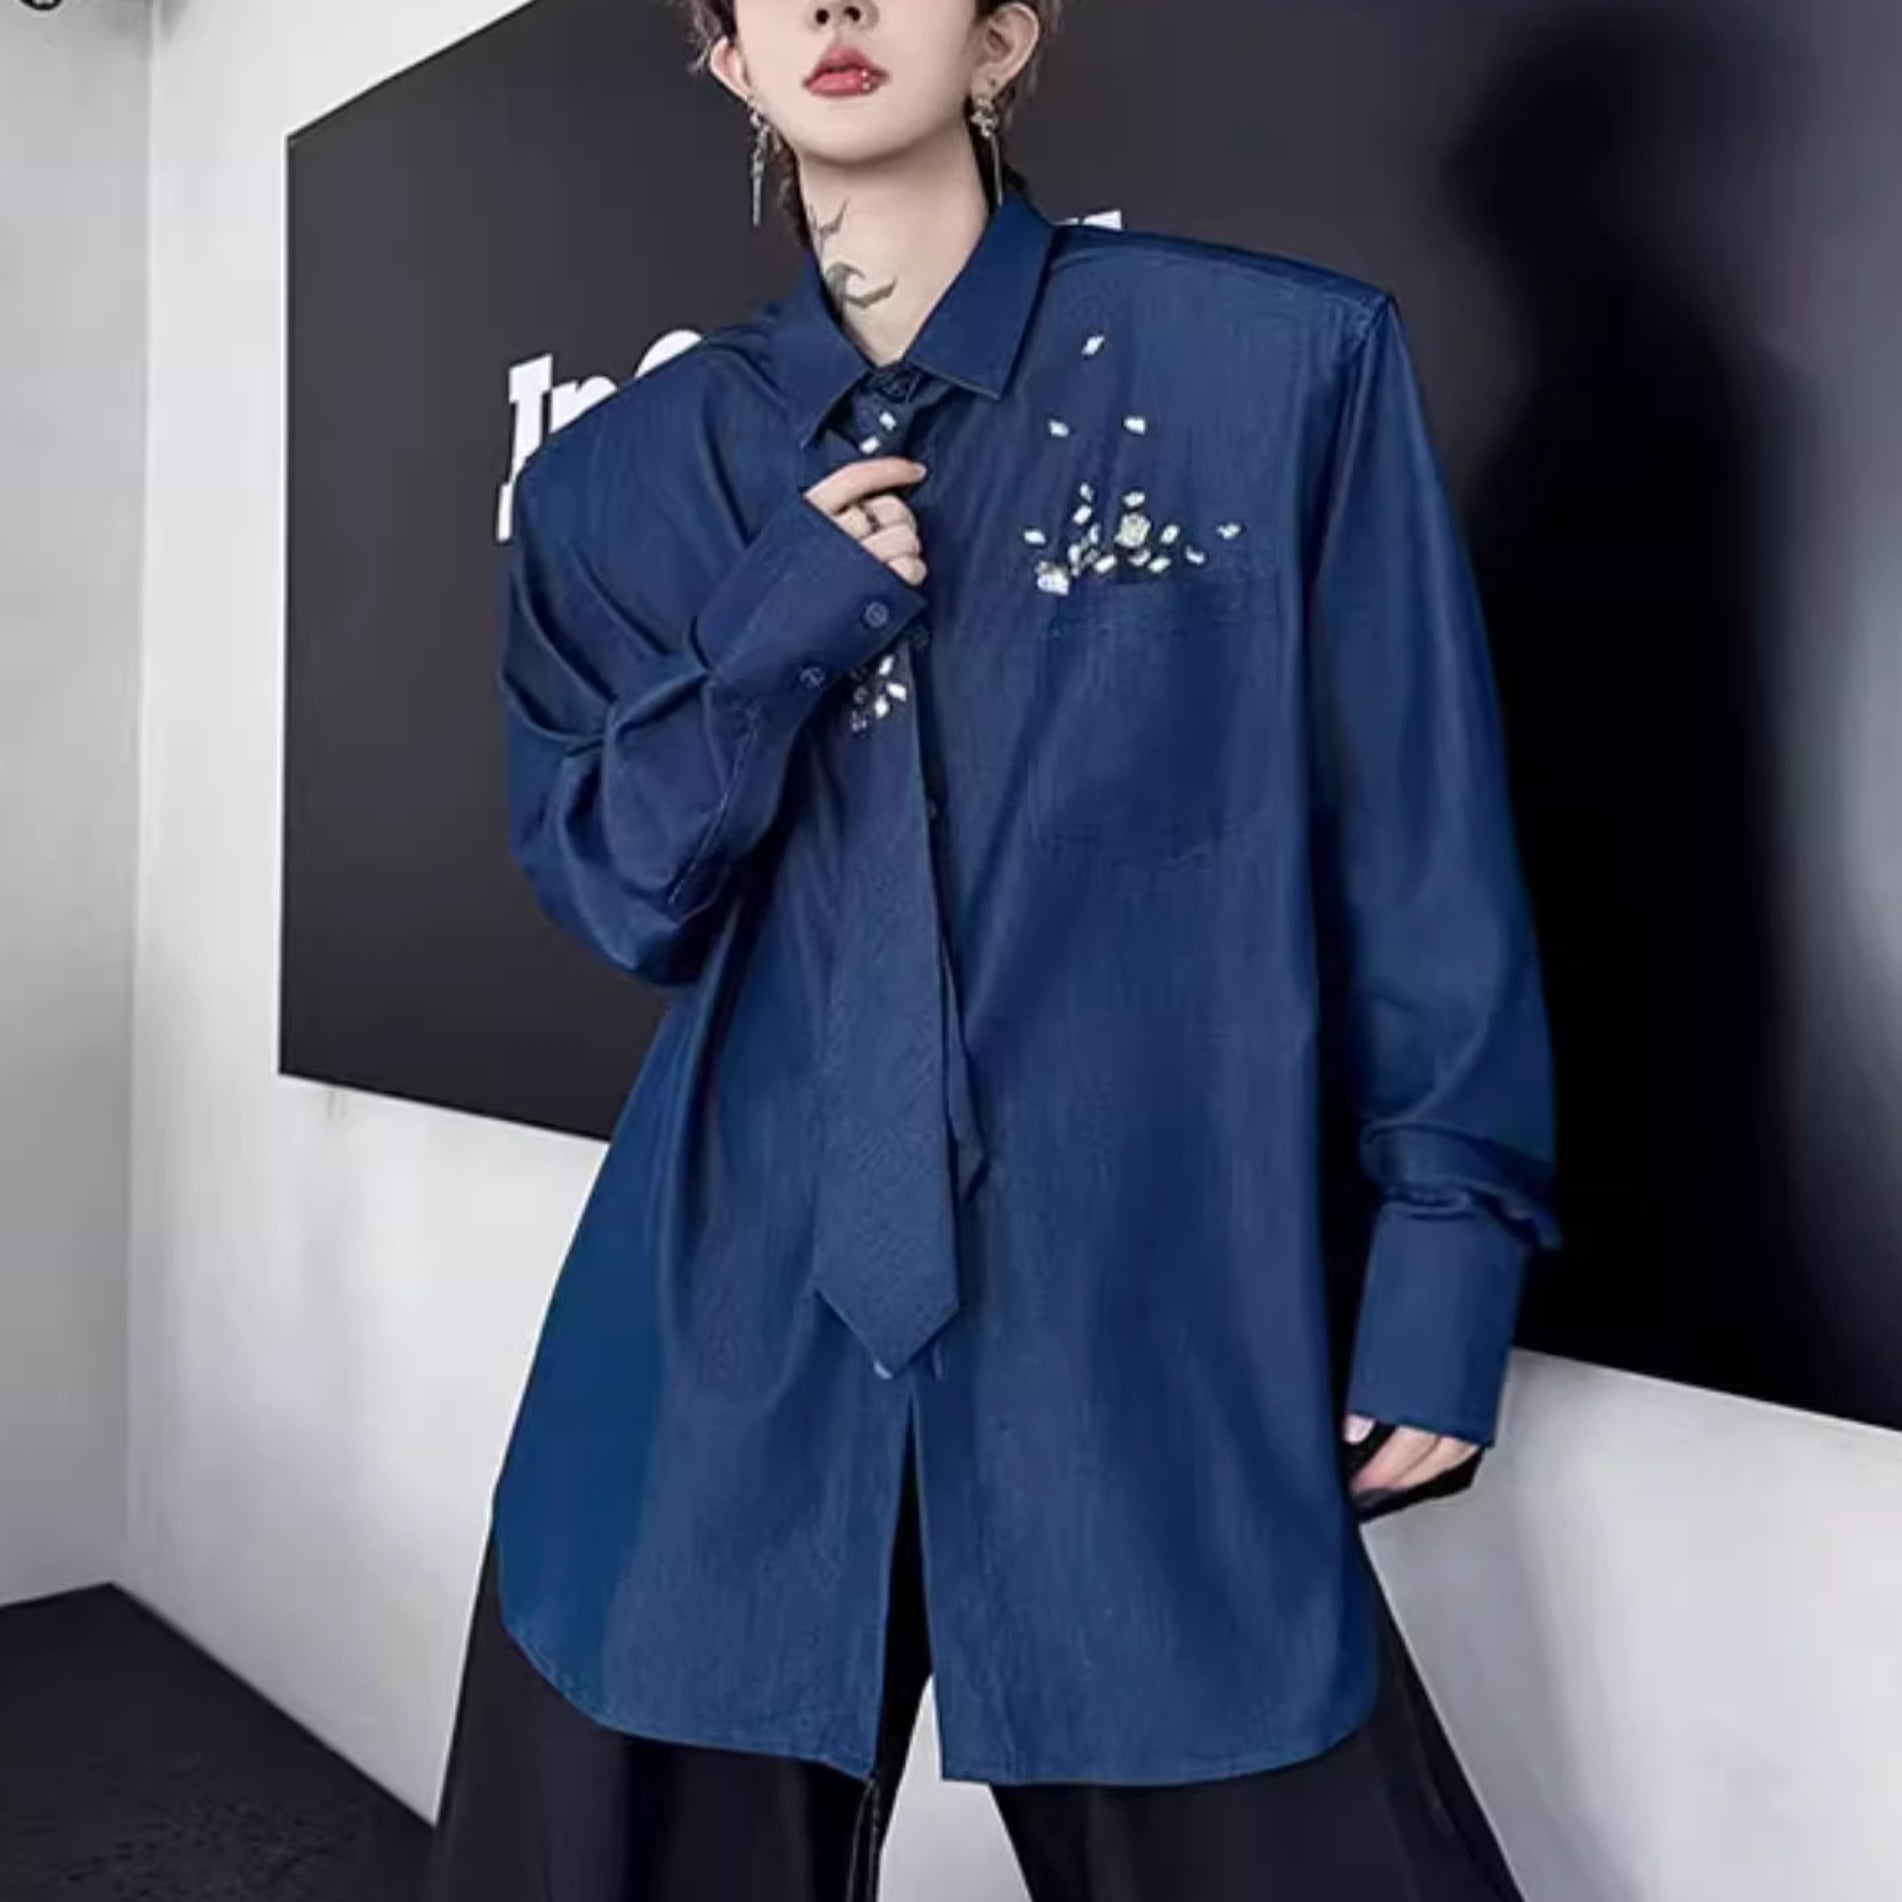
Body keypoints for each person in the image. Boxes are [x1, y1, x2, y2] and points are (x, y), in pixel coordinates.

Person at [423, 1, 1559, 1897]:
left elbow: (1414, 846)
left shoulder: (1273, 373)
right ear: (726, 60)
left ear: (1004, 31)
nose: (835, 9)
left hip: (1141, 1305)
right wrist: (770, 638)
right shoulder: (609, 486)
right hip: (718, 1322)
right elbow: (622, 894)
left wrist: (1447, 1252)